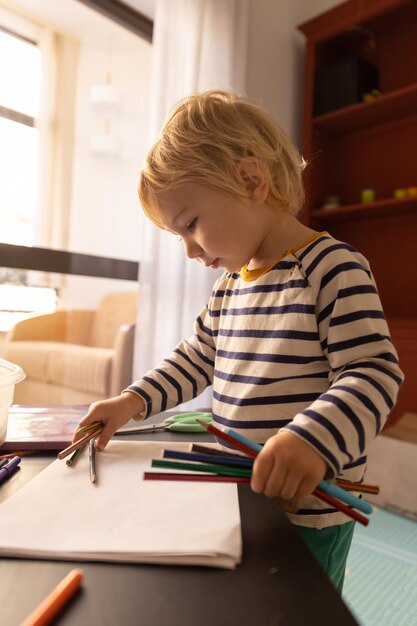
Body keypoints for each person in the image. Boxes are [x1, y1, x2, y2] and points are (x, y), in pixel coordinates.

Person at [73, 90, 403, 591]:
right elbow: (196, 358)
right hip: (239, 489)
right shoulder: (230, 288)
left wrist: (312, 437)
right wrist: (133, 400)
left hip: (309, 504)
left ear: (251, 180)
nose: (188, 250)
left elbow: (374, 373)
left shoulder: (332, 267)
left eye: (191, 225)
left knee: (301, 608)